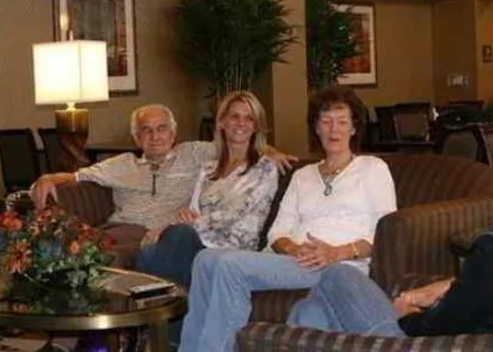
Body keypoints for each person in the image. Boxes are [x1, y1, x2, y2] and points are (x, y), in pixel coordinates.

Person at [287, 102, 493, 338]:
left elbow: (439, 325)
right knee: (311, 311)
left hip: (417, 342)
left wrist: (402, 314)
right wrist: (440, 289)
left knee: (339, 276)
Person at [179, 86, 397, 352]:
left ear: (354, 128)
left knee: (228, 265)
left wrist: (337, 252)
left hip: (342, 267)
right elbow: (277, 232)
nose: (334, 129)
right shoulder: (303, 175)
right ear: (316, 128)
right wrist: (294, 248)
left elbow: (386, 233)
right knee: (205, 260)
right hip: (298, 261)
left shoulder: (372, 168)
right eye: (326, 121)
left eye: (342, 122)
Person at [30, 104, 293, 267]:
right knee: (66, 250)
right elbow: (77, 176)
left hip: (162, 234)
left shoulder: (195, 154)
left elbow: (238, 140)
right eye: (146, 130)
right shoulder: (121, 163)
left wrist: (271, 152)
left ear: (173, 133)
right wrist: (48, 178)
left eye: (162, 128)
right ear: (137, 137)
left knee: (100, 257)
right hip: (118, 229)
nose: (155, 136)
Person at [134, 91, 279, 288]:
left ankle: (172, 303)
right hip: (199, 242)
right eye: (234, 116)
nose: (241, 123)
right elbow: (193, 209)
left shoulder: (265, 168)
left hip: (233, 248)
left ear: (256, 126)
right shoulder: (209, 168)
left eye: (249, 118)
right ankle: (174, 302)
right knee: (147, 253)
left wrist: (171, 227)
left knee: (174, 239)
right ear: (222, 123)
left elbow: (233, 214)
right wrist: (182, 218)